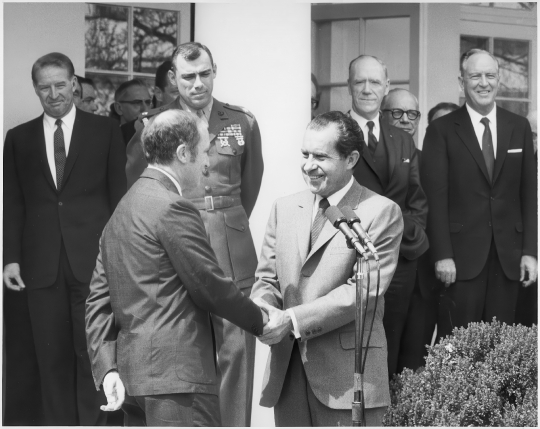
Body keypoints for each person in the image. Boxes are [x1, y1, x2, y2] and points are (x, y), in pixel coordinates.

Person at [85, 109, 267, 427]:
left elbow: (97, 300)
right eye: (204, 151)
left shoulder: (122, 209)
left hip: (133, 382)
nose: (207, 163)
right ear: (183, 153)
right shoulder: (173, 207)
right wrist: (261, 321)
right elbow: (209, 285)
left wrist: (107, 366)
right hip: (178, 383)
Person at [125, 42, 263, 427]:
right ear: (173, 78)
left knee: (236, 351)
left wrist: (223, 220)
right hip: (175, 248)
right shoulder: (152, 124)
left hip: (231, 246)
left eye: (205, 73)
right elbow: (140, 186)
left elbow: (249, 185)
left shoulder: (241, 121)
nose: (198, 83)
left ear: (214, 71)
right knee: (188, 347)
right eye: (188, 76)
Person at [250, 111, 403, 426]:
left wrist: (291, 320)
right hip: (288, 374)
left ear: (351, 159)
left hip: (347, 379)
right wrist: (263, 312)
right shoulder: (284, 208)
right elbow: (266, 280)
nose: (308, 165)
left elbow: (362, 293)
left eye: (320, 156)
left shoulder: (381, 213)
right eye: (305, 154)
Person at [3, 52, 126, 425]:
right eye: (45, 87)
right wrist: (10, 257)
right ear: (36, 89)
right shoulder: (18, 138)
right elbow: (12, 204)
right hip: (39, 267)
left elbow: (119, 198)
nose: (54, 93)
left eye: (60, 84)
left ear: (74, 83)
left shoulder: (105, 131)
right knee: (50, 359)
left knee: (94, 356)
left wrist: (120, 259)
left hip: (94, 265)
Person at [421, 49, 537, 341]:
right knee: (457, 348)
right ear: (462, 83)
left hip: (508, 259)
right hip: (459, 262)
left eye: (490, 75)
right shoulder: (441, 130)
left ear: (499, 80)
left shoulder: (519, 126)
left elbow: (528, 195)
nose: (483, 83)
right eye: (475, 76)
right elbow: (435, 199)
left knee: (502, 348)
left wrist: (530, 252)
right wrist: (443, 255)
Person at [348, 55, 429, 376]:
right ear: (349, 85)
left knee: (391, 345)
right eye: (360, 82)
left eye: (375, 82)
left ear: (386, 87)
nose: (367, 89)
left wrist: (412, 235)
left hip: (400, 259)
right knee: (352, 349)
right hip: (350, 258)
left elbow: (416, 199)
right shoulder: (334, 129)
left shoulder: (402, 139)